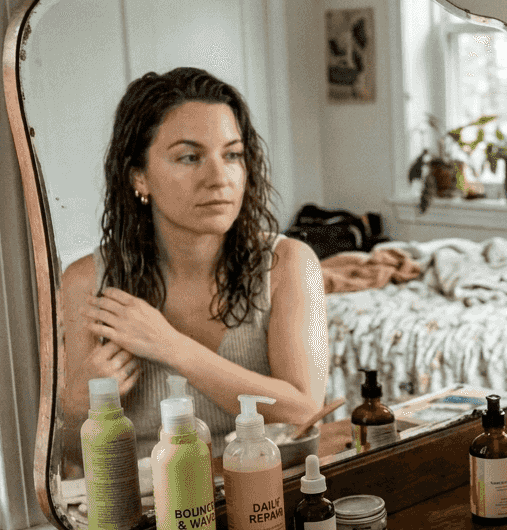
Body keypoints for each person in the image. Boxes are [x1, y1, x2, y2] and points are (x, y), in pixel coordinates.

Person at [60, 67, 328, 457]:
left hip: (260, 484)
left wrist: (170, 346)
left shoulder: (287, 264)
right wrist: (75, 407)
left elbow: (303, 409)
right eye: (190, 157)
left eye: (232, 155)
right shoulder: (87, 282)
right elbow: (71, 458)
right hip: (145, 494)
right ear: (139, 177)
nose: (219, 178)